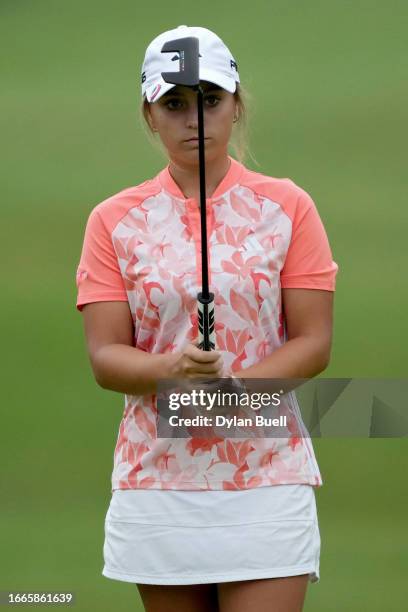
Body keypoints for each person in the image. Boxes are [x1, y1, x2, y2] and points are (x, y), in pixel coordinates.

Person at [75, 25, 338, 612]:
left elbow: (315, 342)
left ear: (237, 104)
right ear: (149, 115)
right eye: (174, 103)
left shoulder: (289, 207)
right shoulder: (112, 221)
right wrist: (173, 368)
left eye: (210, 100)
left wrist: (237, 392)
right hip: (159, 481)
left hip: (268, 477)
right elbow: (105, 356)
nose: (195, 119)